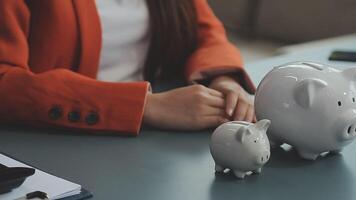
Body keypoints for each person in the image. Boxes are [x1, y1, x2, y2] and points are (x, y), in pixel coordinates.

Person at [0, 0, 255, 135]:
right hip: (53, 143)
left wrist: (223, 79)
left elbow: (206, 34)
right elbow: (5, 80)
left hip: (153, 149)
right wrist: (146, 107)